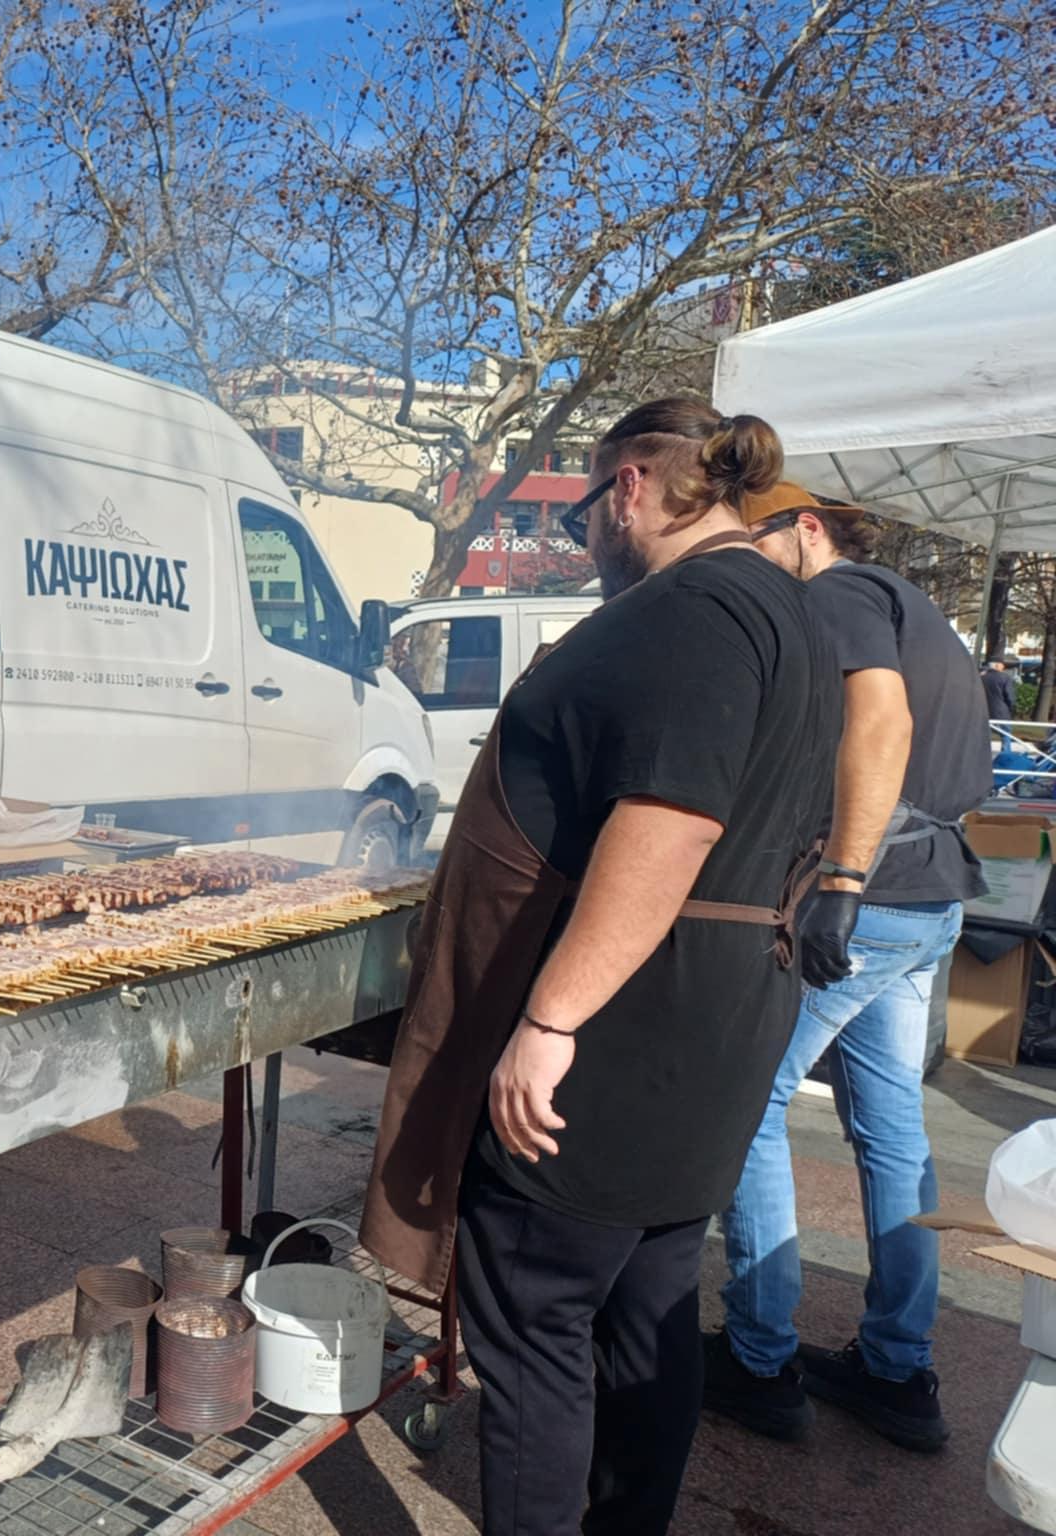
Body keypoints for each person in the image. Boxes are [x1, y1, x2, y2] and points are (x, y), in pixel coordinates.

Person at [361, 400, 841, 1535]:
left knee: (533, 1328)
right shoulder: (785, 604)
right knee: (647, 1318)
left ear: (627, 486)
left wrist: (551, 1018)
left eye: (583, 511)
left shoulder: (690, 608)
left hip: (623, 1038)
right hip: (718, 1027)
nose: (584, 540)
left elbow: (668, 819)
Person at [704, 485, 988, 1453]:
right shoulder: (913, 604)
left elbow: (879, 728)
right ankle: (895, 1368)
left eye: (755, 535)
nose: (746, 554)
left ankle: (756, 1357)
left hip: (867, 902)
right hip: (930, 900)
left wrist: (838, 877)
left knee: (745, 1105)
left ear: (805, 527)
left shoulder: (835, 595)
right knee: (891, 1133)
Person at [983, 657, 1017, 723]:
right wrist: (1012, 709)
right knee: (1005, 733)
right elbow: (1010, 697)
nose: (1003, 666)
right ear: (997, 665)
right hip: (1002, 714)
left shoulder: (982, 677)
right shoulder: (1005, 678)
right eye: (1002, 664)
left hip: (985, 712)